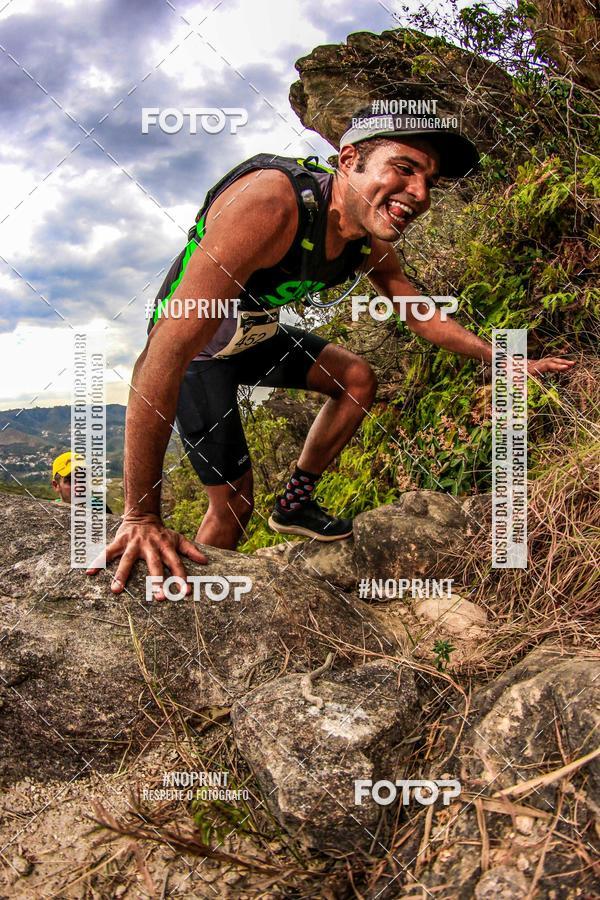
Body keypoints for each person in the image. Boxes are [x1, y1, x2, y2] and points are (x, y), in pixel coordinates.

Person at [87, 107, 575, 597]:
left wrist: (504, 358)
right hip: (201, 355)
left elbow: (420, 313)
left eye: (430, 180)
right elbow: (164, 353)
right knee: (233, 506)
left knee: (356, 380)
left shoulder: (365, 242)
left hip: (253, 338)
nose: (421, 194)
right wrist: (141, 514)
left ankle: (294, 504)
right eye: (403, 168)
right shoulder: (271, 204)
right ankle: (194, 607)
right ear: (348, 160)